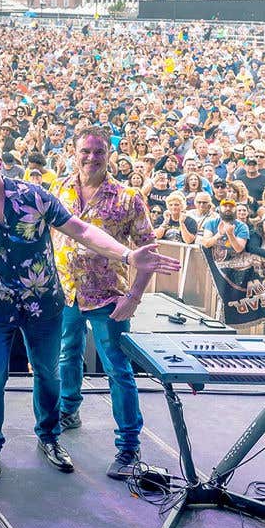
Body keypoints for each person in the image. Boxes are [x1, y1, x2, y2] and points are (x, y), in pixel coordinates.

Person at [0, 136, 178, 482]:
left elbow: (81, 230)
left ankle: (50, 437)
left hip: (43, 305)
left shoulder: (33, 196)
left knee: (49, 373)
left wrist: (125, 255)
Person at [49, 126, 155, 480]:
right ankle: (68, 410)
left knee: (117, 370)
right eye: (85, 151)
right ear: (74, 152)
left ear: (110, 154)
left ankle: (128, 446)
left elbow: (147, 252)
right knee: (67, 353)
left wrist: (135, 296)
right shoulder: (60, 189)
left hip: (110, 298)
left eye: (98, 151)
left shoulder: (128, 197)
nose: (91, 157)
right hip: (67, 291)